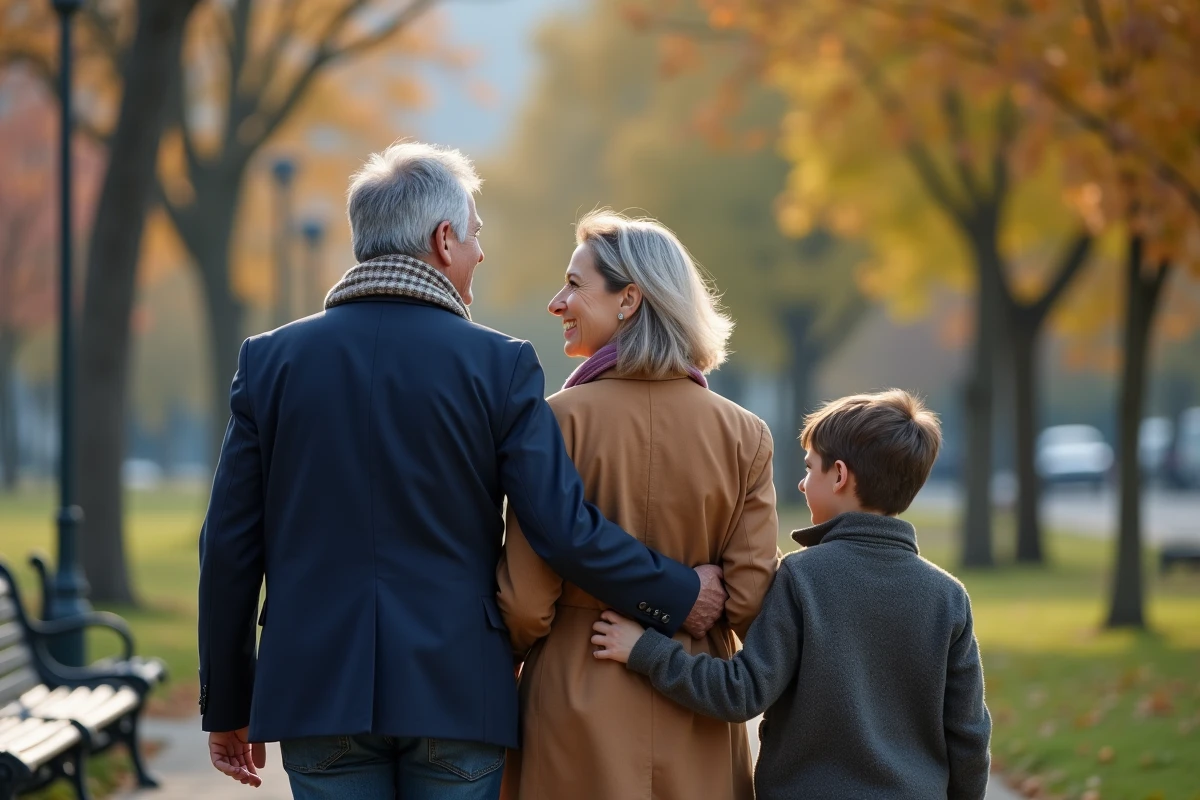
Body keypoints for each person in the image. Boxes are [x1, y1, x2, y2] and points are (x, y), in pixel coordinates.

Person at [196, 143, 728, 800]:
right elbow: (561, 529)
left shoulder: (271, 362)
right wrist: (678, 592)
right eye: (475, 235)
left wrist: (228, 702)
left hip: (315, 691)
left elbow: (228, 546)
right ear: (443, 240)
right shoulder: (499, 366)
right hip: (457, 690)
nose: (480, 251)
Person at [497, 211, 780, 800]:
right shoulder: (745, 434)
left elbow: (524, 602)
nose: (557, 302)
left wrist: (514, 659)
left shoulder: (553, 422)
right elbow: (751, 598)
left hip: (573, 700)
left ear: (629, 300)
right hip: (695, 705)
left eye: (575, 284)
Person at [592, 390, 994, 800]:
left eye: (809, 469)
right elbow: (969, 735)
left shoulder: (802, 577)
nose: (802, 483)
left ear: (839, 475)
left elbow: (741, 691)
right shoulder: (948, 596)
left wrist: (645, 649)